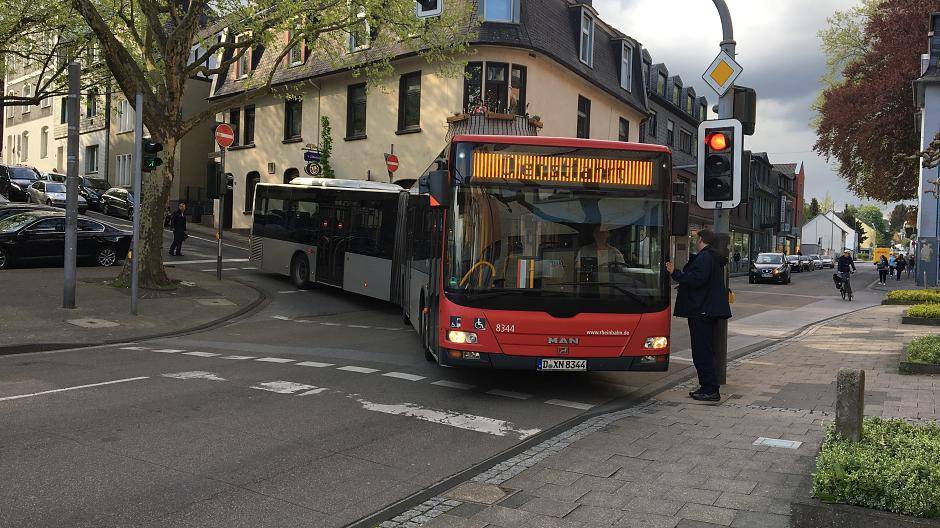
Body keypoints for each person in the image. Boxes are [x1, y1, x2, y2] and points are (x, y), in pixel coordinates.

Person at [665, 229, 732, 402]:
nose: (695, 242)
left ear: (701, 239)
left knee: (702, 351)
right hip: (705, 310)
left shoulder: (705, 257)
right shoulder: (710, 257)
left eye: (696, 239)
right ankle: (706, 386)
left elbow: (697, 279)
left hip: (701, 310)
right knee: (704, 350)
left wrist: (675, 273)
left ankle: (710, 389)